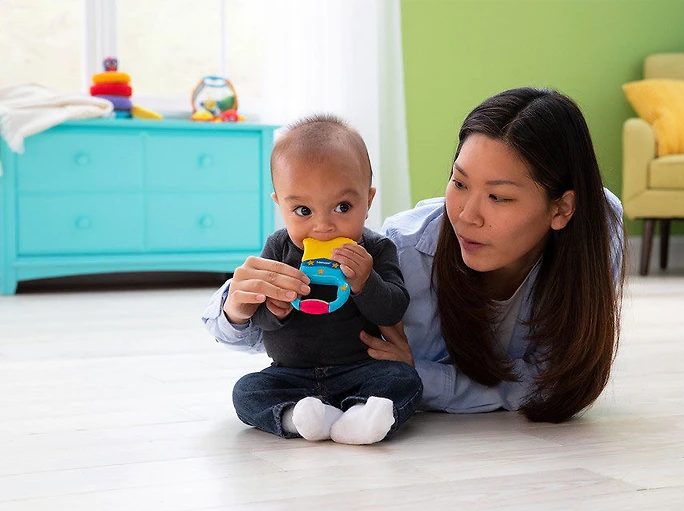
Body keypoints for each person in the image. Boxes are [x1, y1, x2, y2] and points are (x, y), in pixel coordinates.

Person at [203, 87, 625, 426]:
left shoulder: (596, 232)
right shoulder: (405, 249)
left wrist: (423, 377)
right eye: (459, 183)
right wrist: (238, 307)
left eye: (498, 196)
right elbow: (266, 330)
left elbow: (551, 380)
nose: (466, 214)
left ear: (561, 209)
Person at [203, 114, 422, 445]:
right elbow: (259, 315)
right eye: (303, 211)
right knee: (246, 391)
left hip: (359, 370)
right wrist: (274, 308)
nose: (323, 226)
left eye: (342, 207)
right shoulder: (278, 247)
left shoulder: (376, 249)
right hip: (291, 373)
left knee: (405, 379)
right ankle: (297, 418)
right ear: (281, 206)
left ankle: (359, 417)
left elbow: (392, 310)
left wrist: (366, 281)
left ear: (368, 201)